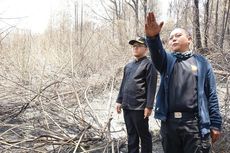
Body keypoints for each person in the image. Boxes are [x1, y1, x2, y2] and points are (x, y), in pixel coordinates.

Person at [144, 12, 222, 153]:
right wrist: (152, 38)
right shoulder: (167, 61)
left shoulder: (202, 63)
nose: (173, 39)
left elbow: (211, 94)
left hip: (194, 125)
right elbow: (156, 54)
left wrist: (215, 124)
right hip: (169, 125)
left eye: (178, 35)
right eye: (171, 37)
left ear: (189, 39)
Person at [116, 36, 158, 153]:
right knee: (131, 134)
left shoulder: (149, 65)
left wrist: (149, 106)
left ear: (146, 49)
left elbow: (151, 87)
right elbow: (123, 84)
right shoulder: (128, 66)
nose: (135, 48)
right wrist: (119, 101)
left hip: (140, 107)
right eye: (134, 46)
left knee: (144, 135)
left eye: (139, 46)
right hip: (127, 106)